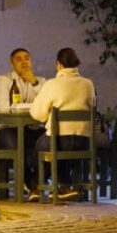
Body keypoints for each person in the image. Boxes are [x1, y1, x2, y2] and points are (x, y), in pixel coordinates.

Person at [30, 47, 97, 201]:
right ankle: (62, 186)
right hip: (83, 140)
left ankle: (37, 185)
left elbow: (38, 115)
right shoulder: (88, 84)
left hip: (59, 140)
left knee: (39, 147)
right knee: (57, 148)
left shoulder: (52, 84)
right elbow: (93, 105)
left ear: (59, 65)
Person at [0, 48, 46, 200]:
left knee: (47, 143)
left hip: (31, 127)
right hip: (8, 128)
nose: (24, 62)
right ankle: (32, 184)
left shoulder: (40, 81)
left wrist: (33, 82)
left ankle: (40, 182)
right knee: (16, 147)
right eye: (19, 59)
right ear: (12, 64)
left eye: (27, 58)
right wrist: (31, 107)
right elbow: (3, 109)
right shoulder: (3, 80)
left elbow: (44, 104)